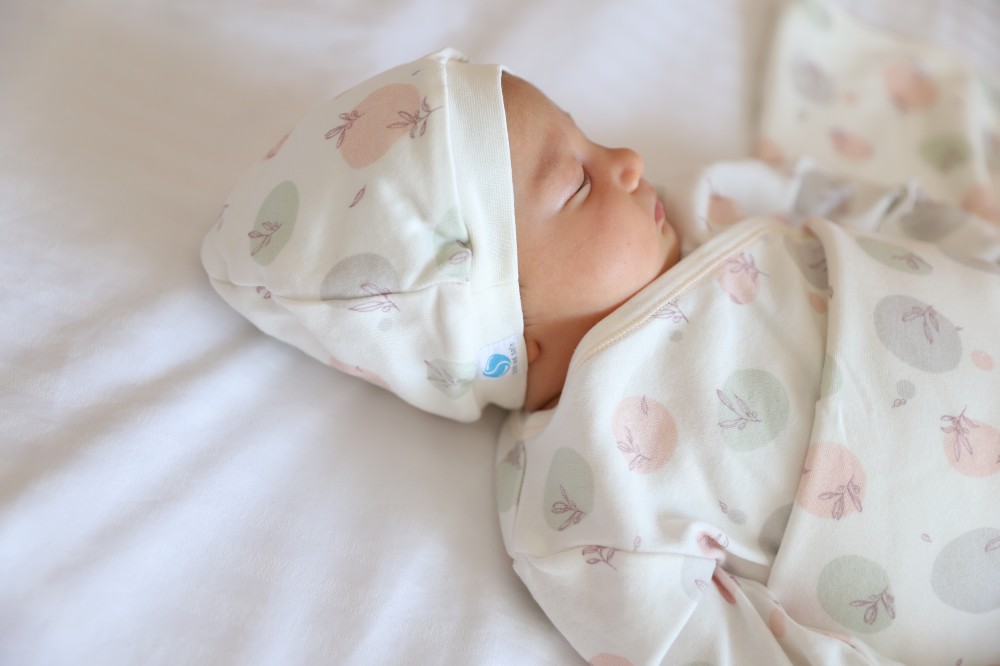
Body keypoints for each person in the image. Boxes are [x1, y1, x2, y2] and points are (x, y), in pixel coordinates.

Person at [203, 4, 1000, 660]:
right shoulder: (575, 492)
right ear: (513, 336)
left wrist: (972, 248)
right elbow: (704, 646)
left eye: (588, 136)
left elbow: (862, 210)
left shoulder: (706, 207)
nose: (626, 159)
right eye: (579, 181)